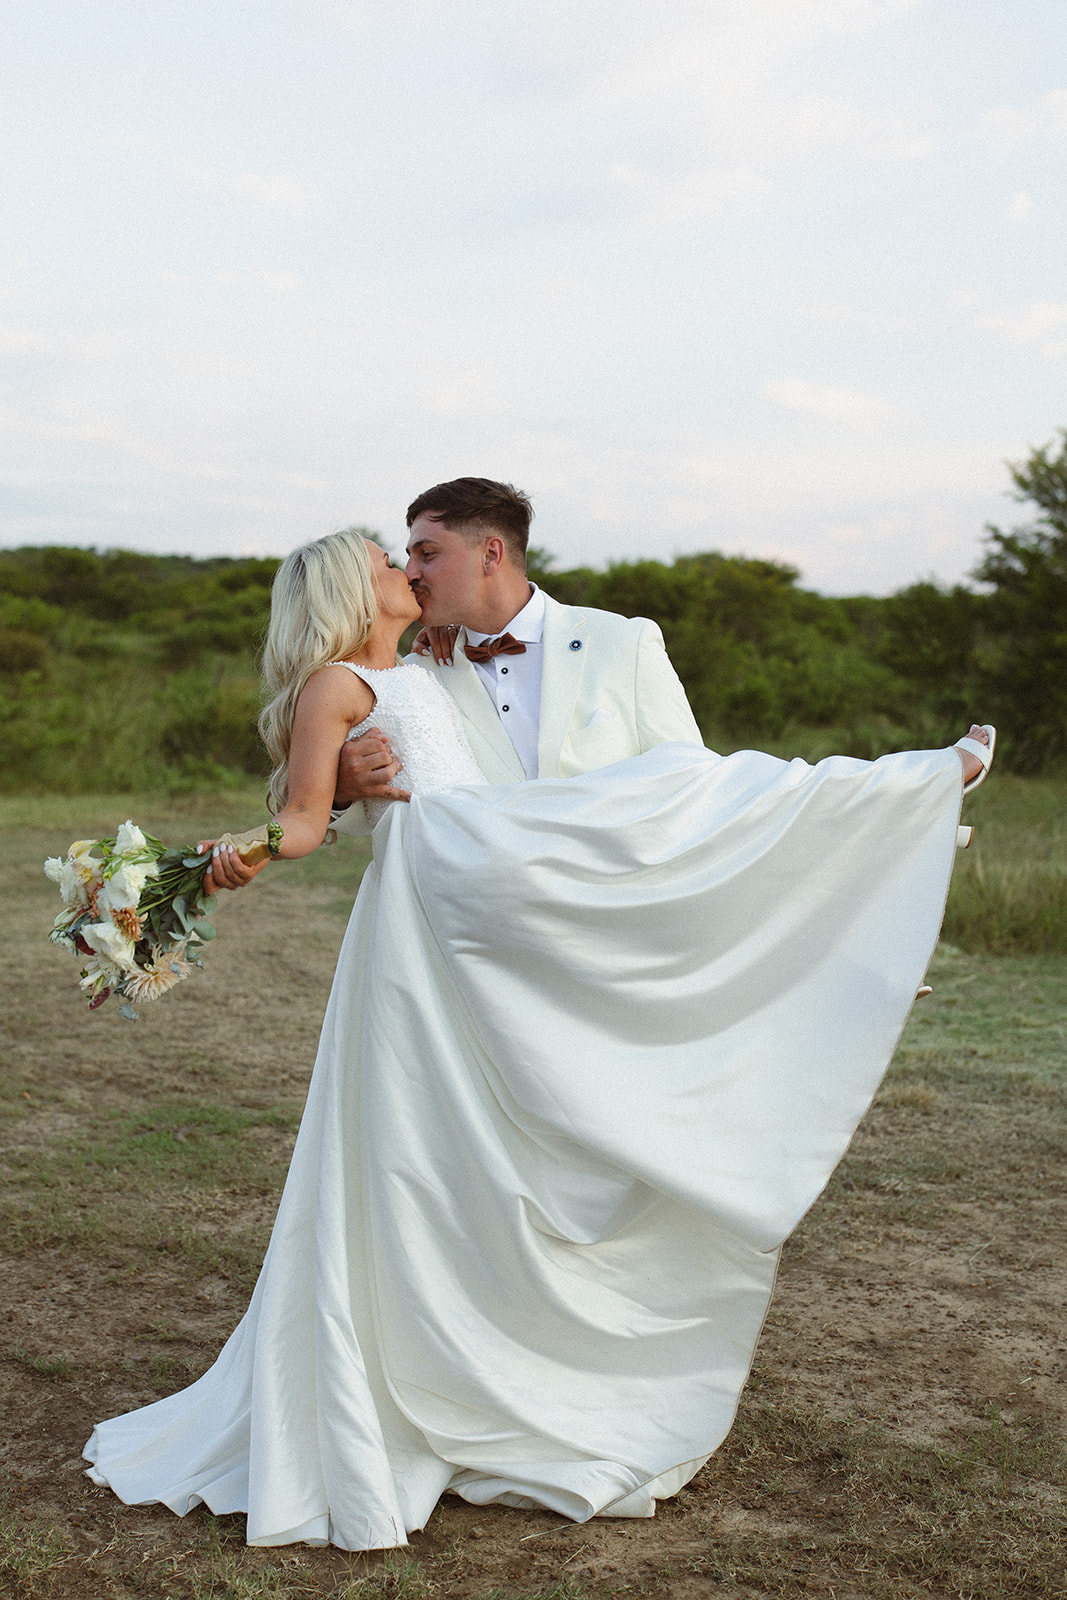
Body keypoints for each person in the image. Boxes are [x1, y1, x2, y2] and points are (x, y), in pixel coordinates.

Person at [84, 528, 994, 1552]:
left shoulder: (428, 662)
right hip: (446, 889)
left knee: (662, 797)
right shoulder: (332, 686)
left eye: (413, 555)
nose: (408, 571)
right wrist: (192, 872)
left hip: (490, 866)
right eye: (392, 562)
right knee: (630, 835)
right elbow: (299, 823)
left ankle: (860, 866)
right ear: (354, 587)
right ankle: (853, 878)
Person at [330, 477, 703, 818]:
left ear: (491, 555)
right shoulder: (417, 675)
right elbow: (389, 806)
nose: (410, 572)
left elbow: (692, 777)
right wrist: (342, 791)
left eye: (427, 554)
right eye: (409, 557)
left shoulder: (625, 644)